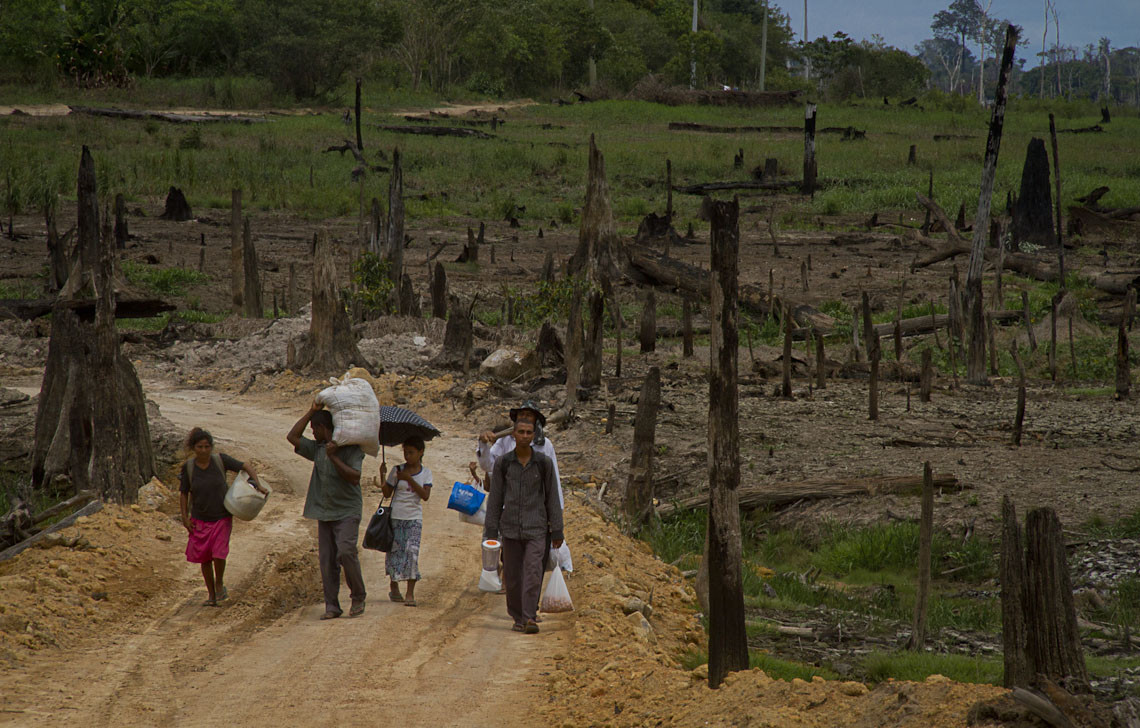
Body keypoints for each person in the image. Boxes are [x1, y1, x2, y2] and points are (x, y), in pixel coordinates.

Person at [483, 417, 563, 634]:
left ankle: (529, 617)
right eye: (522, 432)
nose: (526, 436)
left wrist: (557, 529)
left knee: (533, 572)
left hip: (537, 528)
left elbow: (552, 498)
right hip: (510, 528)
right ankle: (517, 617)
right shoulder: (504, 463)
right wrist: (490, 531)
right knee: (512, 575)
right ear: (513, 435)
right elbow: (496, 499)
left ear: (534, 435)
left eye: (530, 432)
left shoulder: (543, 463)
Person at [287, 402, 367, 620]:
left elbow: (354, 478)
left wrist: (334, 457)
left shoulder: (351, 449)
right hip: (324, 511)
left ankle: (358, 596)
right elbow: (292, 436)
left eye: (315, 428)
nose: (312, 433)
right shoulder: (318, 449)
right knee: (327, 560)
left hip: (347, 510)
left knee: (346, 552)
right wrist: (311, 411)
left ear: (324, 428)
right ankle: (332, 605)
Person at [474, 401, 572, 573]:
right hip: (508, 507)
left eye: (529, 416)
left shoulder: (545, 446)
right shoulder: (504, 441)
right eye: (522, 415)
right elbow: (488, 466)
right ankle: (508, 581)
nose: (525, 418)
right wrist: (483, 445)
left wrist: (556, 520)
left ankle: (528, 591)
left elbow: (553, 481)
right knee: (508, 550)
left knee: (533, 558)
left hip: (534, 511)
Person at [179, 427, 266, 607]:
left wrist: (257, 484)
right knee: (204, 558)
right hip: (199, 519)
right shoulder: (188, 468)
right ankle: (211, 594)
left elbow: (246, 466)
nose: (203, 450)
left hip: (221, 517)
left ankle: (219, 584)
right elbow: (183, 493)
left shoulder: (220, 461)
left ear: (211, 447)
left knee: (219, 554)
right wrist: (184, 517)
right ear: (193, 448)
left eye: (206, 446)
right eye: (199, 447)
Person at [379, 436, 432, 607]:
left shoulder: (426, 473)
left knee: (411, 554)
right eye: (405, 452)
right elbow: (387, 494)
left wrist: (408, 479)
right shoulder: (397, 470)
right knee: (394, 552)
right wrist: (383, 475)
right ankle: (394, 587)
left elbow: (425, 496)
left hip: (414, 518)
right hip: (395, 517)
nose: (407, 456)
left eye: (411, 452)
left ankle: (410, 593)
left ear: (420, 452)